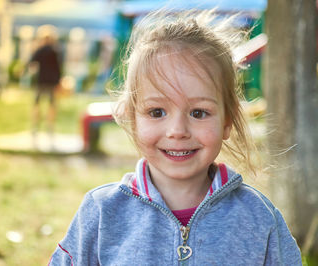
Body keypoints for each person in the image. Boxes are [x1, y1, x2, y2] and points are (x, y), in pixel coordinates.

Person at [48, 10, 301, 265]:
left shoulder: (259, 218)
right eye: (157, 112)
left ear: (227, 121)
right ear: (133, 119)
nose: (177, 130)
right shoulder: (102, 213)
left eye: (199, 112)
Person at [29, 25, 62, 137]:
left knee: (38, 104)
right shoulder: (55, 50)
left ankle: (37, 126)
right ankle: (48, 127)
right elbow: (59, 67)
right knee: (49, 105)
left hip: (42, 81)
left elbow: (32, 63)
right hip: (50, 81)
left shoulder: (40, 50)